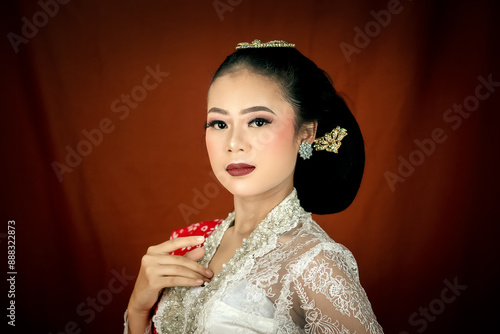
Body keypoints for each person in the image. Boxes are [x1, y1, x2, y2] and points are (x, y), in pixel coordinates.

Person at [124, 39, 383, 334]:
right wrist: (138, 309)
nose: (234, 143)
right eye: (219, 124)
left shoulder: (313, 262)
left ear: (307, 133)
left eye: (258, 121)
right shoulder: (192, 242)